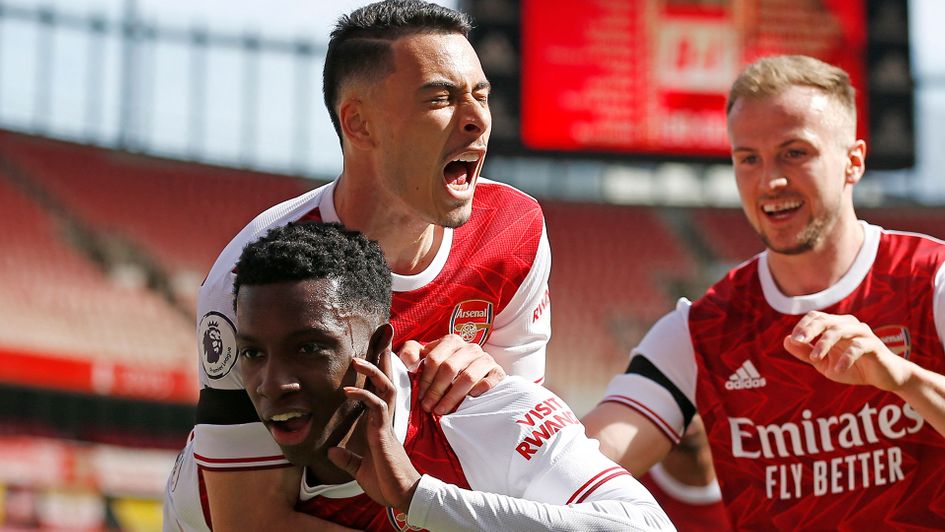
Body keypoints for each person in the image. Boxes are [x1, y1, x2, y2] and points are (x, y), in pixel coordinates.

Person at [163, 1, 551, 530]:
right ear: (359, 123)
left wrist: (495, 383)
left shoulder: (514, 229)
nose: (477, 118)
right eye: (440, 98)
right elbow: (252, 521)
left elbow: (514, 460)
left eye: (481, 95)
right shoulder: (257, 274)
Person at [582, 54, 945, 528]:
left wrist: (901, 379)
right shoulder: (700, 333)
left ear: (853, 161)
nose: (770, 180)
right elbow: (582, 464)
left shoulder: (930, 279)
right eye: (748, 158)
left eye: (795, 152)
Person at [231, 221, 673, 530]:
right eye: (252, 352)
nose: (272, 383)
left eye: (309, 349)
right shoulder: (220, 481)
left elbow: (648, 528)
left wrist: (418, 498)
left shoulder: (485, 410)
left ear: (378, 345)